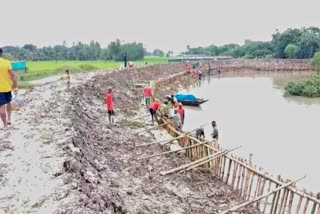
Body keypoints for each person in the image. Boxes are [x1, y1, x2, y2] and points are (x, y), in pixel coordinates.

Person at [0, 48, 18, 129]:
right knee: (8, 102)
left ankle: (5, 125)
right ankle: (9, 119)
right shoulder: (6, 62)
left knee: (1, 107)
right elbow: (13, 75)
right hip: (7, 87)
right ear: (1, 53)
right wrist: (15, 86)